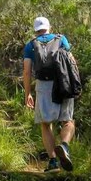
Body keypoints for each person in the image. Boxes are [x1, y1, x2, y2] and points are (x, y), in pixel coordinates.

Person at [23, 16, 74, 172]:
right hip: (63, 82)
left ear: (35, 29)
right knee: (68, 121)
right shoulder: (61, 39)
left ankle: (53, 162)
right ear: (49, 27)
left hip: (43, 85)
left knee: (46, 124)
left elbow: (26, 72)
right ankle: (64, 146)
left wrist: (28, 94)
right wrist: (75, 84)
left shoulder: (30, 45)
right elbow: (72, 62)